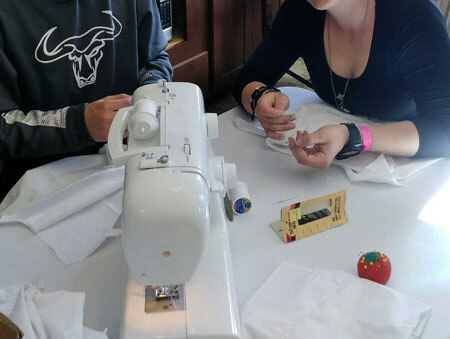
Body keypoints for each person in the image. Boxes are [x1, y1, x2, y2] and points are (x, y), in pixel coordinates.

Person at [234, 0, 450, 169]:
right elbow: (251, 76)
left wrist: (354, 136)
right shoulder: (300, 9)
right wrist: (258, 96)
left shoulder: (414, 15)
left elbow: (445, 130)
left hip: (409, 163)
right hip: (329, 172)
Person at [0, 0, 173, 200]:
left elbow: (155, 58)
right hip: (41, 186)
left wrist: (147, 97)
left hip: (130, 162)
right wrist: (80, 124)